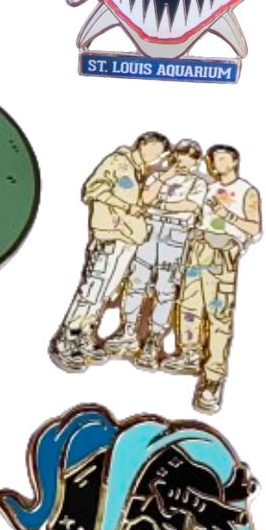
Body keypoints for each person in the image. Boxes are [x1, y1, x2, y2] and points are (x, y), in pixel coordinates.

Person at [50, 132, 170, 371]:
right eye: (153, 149)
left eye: (159, 154)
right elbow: (92, 189)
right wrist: (126, 206)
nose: (155, 156)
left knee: (106, 291)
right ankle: (66, 339)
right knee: (93, 288)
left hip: (127, 237)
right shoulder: (118, 162)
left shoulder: (138, 171)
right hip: (110, 234)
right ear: (142, 144)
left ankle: (84, 334)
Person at [163, 145, 262, 413]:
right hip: (199, 248)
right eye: (213, 159)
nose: (216, 163)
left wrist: (226, 216)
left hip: (222, 252)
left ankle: (213, 377)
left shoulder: (246, 190)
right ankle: (190, 352)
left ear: (234, 161)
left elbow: (254, 227)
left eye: (221, 158)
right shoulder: (208, 187)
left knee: (219, 314)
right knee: (189, 305)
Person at [105, 140, 208, 368]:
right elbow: (145, 199)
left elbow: (190, 206)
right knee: (136, 282)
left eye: (190, 156)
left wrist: (161, 204)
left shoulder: (198, 183)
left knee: (165, 288)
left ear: (196, 161)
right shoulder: (158, 176)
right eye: (181, 154)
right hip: (150, 229)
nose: (184, 160)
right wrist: (165, 179)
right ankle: (128, 330)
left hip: (175, 234)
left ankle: (153, 339)